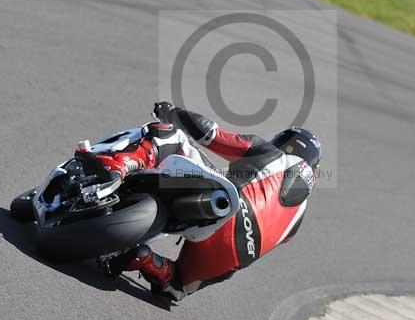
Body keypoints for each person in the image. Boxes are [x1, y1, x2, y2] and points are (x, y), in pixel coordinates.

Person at [94, 102, 321, 301]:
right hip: (234, 256)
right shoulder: (298, 219)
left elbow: (211, 135)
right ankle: (145, 259)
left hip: (227, 209)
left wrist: (172, 113)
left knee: (171, 136)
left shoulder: (272, 154)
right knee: (174, 288)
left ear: (285, 143)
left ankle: (117, 165)